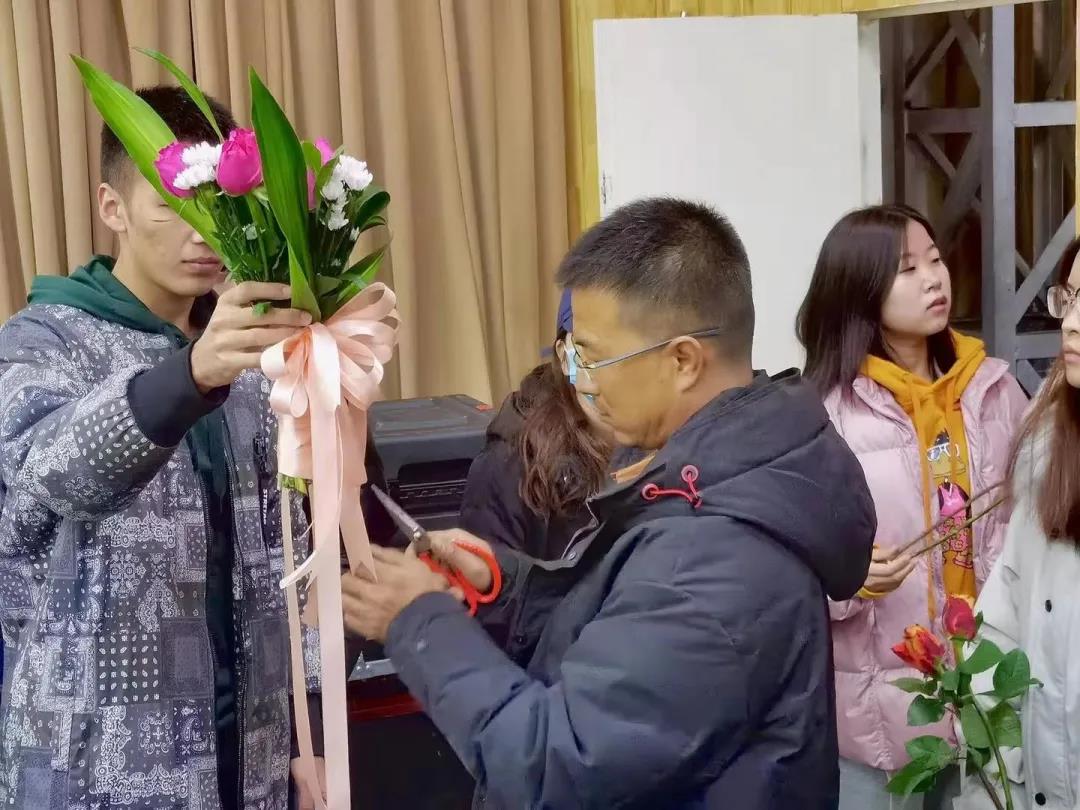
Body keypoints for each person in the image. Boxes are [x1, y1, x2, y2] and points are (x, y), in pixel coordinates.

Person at [339, 197, 876, 808]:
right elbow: (625, 623)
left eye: (594, 358)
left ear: (682, 360)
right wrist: (504, 585)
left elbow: (556, 767)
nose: (583, 381)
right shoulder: (714, 475)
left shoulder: (718, 559)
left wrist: (418, 621)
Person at [0, 86, 321, 809]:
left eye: (222, 207)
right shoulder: (41, 343)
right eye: (176, 205)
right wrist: (192, 375)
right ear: (112, 207)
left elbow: (289, 556)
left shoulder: (249, 355)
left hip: (252, 757)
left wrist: (310, 738)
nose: (203, 233)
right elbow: (53, 473)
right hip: (92, 765)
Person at [796, 204, 1028, 809]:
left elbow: (1028, 522)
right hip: (880, 712)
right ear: (859, 288)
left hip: (989, 687)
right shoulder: (822, 417)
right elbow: (786, 566)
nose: (934, 279)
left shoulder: (995, 389)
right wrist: (846, 580)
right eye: (907, 268)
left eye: (936, 260)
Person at [951, 237, 1080, 810]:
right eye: (1069, 297)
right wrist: (996, 779)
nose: (1070, 323)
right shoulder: (1048, 443)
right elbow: (1004, 621)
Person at [458, 289, 614, 561]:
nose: (611, 379)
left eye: (630, 356)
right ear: (564, 357)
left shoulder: (677, 439)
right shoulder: (513, 461)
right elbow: (486, 579)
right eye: (592, 357)